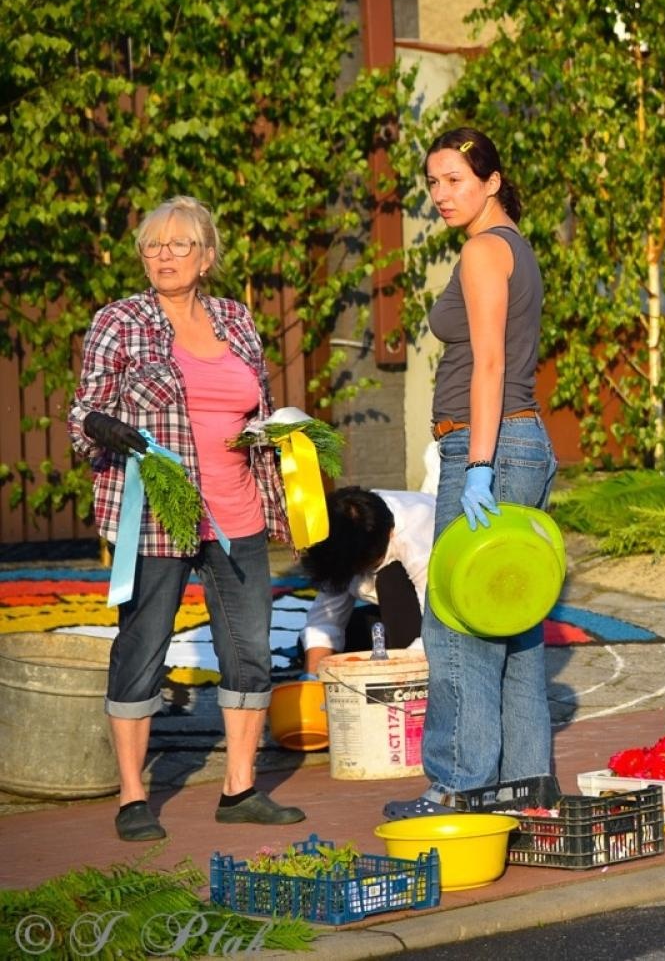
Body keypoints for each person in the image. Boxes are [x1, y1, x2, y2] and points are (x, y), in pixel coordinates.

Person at [68, 195, 305, 841]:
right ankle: (134, 795)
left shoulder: (236, 318)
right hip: (156, 516)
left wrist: (283, 437)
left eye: (178, 245)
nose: (162, 256)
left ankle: (240, 788)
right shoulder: (120, 322)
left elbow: (258, 408)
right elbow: (81, 414)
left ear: (206, 256)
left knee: (250, 652)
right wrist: (105, 428)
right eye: (152, 245)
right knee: (143, 647)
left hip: (238, 511)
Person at [383, 127, 557, 819]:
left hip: (489, 444)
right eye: (432, 181)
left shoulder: (486, 251)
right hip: (520, 441)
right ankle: (526, 787)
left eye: (454, 179)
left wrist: (478, 466)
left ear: (490, 180)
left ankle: (458, 785)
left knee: (456, 619)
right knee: (511, 619)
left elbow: (489, 364)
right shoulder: (512, 244)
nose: (439, 194)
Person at [298, 486, 435, 676]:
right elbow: (325, 619)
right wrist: (313, 678)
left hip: (443, 619)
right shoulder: (346, 530)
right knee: (312, 649)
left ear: (389, 535)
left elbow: (437, 629)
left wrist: (403, 673)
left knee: (390, 579)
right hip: (391, 614)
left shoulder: (418, 539)